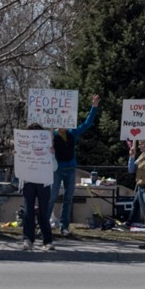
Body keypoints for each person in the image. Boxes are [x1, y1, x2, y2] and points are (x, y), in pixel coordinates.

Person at [51, 94, 101, 235]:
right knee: (52, 197)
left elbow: (87, 124)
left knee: (68, 199)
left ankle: (64, 226)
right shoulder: (52, 135)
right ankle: (44, 224)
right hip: (57, 169)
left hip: (70, 169)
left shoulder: (73, 133)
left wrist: (94, 107)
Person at [20, 124, 55, 252]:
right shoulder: (23, 148)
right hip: (29, 182)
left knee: (43, 212)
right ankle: (28, 239)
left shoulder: (47, 148)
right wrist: (17, 156)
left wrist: (51, 155)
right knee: (28, 211)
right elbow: (19, 169)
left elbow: (54, 168)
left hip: (44, 183)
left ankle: (47, 241)